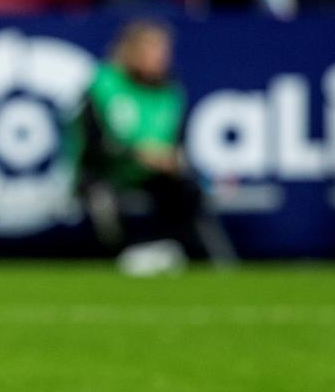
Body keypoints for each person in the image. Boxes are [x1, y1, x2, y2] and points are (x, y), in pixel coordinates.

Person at [69, 20, 236, 269]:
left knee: (185, 189)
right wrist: (135, 153)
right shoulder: (105, 84)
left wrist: (170, 158)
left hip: (150, 174)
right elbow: (93, 143)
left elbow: (177, 141)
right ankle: (120, 256)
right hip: (105, 171)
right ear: (132, 51)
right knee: (102, 200)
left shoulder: (170, 91)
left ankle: (171, 250)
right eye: (152, 50)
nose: (161, 57)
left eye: (163, 51)